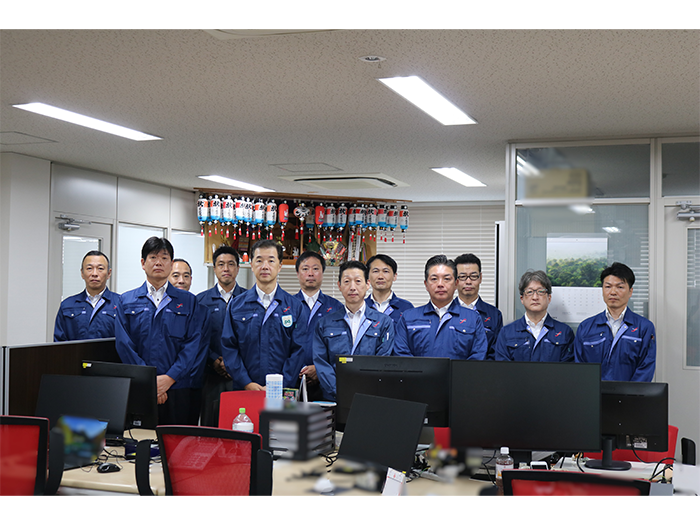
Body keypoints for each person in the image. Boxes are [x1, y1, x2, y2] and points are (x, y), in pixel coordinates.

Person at [115, 237, 204, 425]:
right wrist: (149, 381)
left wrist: (169, 379)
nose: (158, 263)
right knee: (138, 440)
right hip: (139, 388)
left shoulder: (188, 301)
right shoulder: (126, 300)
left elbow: (192, 345)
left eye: (164, 258)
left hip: (178, 388)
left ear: (171, 264)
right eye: (153, 257)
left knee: (177, 440)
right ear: (143, 263)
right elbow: (124, 345)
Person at [221, 239, 308, 391]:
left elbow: (298, 351)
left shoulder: (295, 307)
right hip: (244, 389)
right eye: (259, 260)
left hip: (282, 391)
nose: (265, 266)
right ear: (251, 265)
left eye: (271, 261)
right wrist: (246, 383)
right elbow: (229, 348)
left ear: (280, 266)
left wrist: (280, 384)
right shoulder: (236, 305)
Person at [313, 261, 394, 401]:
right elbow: (321, 364)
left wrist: (363, 393)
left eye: (358, 281)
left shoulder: (383, 322)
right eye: (346, 281)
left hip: (370, 398)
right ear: (339, 286)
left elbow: (382, 362)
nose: (352, 287)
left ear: (367, 284)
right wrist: (340, 391)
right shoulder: (324, 324)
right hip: (334, 399)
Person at [393, 255, 488, 360]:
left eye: (446, 279)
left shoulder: (473, 318)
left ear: (456, 284)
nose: (440, 284)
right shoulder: (408, 317)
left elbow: (477, 356)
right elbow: (401, 355)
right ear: (426, 284)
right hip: (416, 372)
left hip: (460, 372)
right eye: (434, 279)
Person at [574, 262, 656, 381]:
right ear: (602, 290)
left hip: (631, 392)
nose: (613, 292)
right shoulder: (586, 327)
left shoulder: (644, 327)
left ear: (630, 291)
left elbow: (646, 368)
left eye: (620, 287)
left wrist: (629, 392)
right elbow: (579, 368)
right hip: (593, 392)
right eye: (608, 287)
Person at [196, 246, 246, 427]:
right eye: (221, 264)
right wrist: (214, 360)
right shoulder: (200, 301)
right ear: (214, 268)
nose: (226, 269)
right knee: (211, 426)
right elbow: (197, 338)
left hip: (241, 375)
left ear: (238, 268)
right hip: (211, 374)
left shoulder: (249, 299)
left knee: (241, 424)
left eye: (231, 264)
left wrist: (234, 362)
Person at [294, 251, 343, 399]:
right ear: (297, 273)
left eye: (315, 269)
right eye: (305, 269)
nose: (310, 273)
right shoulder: (287, 305)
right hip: (292, 380)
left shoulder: (336, 308)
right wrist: (296, 367)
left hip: (326, 383)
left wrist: (319, 369)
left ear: (322, 273)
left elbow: (341, 347)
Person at [495, 270, 574, 362]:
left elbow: (567, 368)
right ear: (522, 299)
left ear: (549, 298)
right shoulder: (506, 332)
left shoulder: (564, 332)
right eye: (530, 292)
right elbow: (503, 368)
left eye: (541, 291)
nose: (535, 297)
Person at [54, 250, 120, 341]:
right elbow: (59, 343)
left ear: (109, 273)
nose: (94, 274)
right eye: (89, 268)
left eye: (100, 268)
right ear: (82, 273)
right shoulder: (67, 305)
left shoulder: (121, 303)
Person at [454, 253, 503, 360]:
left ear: (480, 278)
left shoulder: (494, 314)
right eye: (462, 277)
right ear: (455, 280)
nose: (468, 281)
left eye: (473, 276)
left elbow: (496, 353)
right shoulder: (446, 312)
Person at [365, 254, 414, 323]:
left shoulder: (406, 308)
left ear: (394, 276)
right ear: (367, 276)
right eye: (376, 271)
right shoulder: (361, 307)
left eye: (385, 271)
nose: (380, 277)